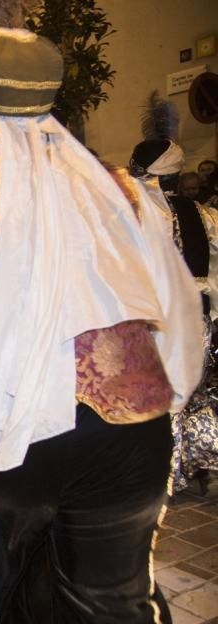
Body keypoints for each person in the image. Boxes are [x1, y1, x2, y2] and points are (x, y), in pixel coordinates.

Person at [0, 5, 202, 624]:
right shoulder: (123, 190)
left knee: (19, 583)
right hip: (128, 432)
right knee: (118, 600)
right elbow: (173, 304)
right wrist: (165, 402)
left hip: (6, 438)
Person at [130, 98, 218, 495]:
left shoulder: (136, 216)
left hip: (155, 322)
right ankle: (191, 464)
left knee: (157, 397)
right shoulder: (203, 214)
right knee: (192, 392)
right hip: (195, 320)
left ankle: (163, 471)